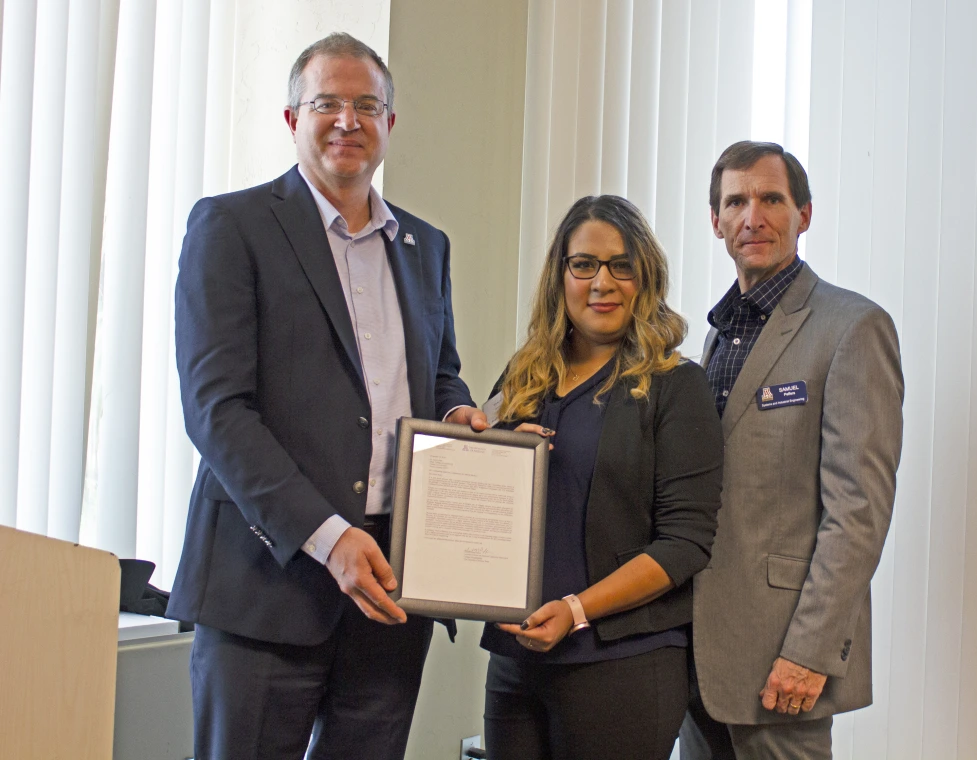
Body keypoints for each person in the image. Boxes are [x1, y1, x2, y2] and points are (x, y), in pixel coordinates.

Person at [167, 33, 487, 760]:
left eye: (367, 105)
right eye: (327, 104)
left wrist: (461, 416)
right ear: (291, 118)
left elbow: (438, 376)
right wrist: (328, 535)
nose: (348, 120)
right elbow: (216, 409)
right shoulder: (232, 227)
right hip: (264, 582)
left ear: (390, 125)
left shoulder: (425, 247)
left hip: (392, 587)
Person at [476, 195, 724, 760]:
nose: (601, 282)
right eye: (583, 264)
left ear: (645, 277)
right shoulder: (526, 376)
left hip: (622, 663)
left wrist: (577, 609)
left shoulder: (676, 386)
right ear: (560, 276)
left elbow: (685, 544)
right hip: (517, 660)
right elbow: (483, 487)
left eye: (621, 265)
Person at [681, 142, 904, 760]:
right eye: (736, 201)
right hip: (701, 658)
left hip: (782, 658)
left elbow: (858, 512)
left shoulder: (852, 328)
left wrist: (810, 652)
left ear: (804, 214)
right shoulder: (718, 336)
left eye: (770, 199)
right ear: (715, 220)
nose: (753, 216)